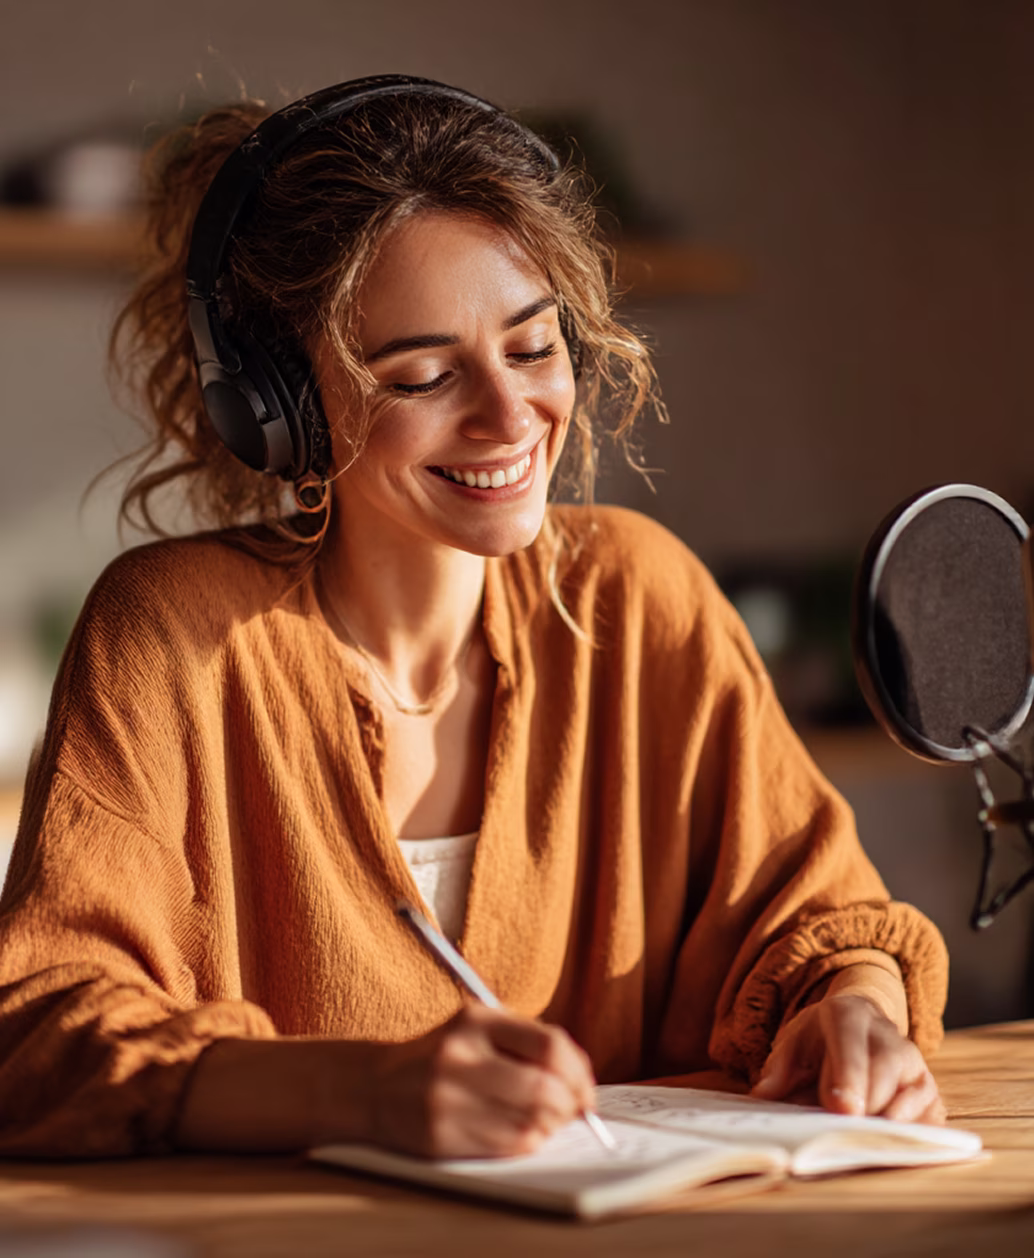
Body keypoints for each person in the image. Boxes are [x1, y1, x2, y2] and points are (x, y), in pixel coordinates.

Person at [0, 76, 947, 1161]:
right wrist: (357, 1093)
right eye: (424, 373)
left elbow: (819, 918)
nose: (507, 416)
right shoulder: (169, 634)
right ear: (280, 409)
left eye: (533, 348)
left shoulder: (644, 599)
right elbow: (35, 1031)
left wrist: (852, 1006)